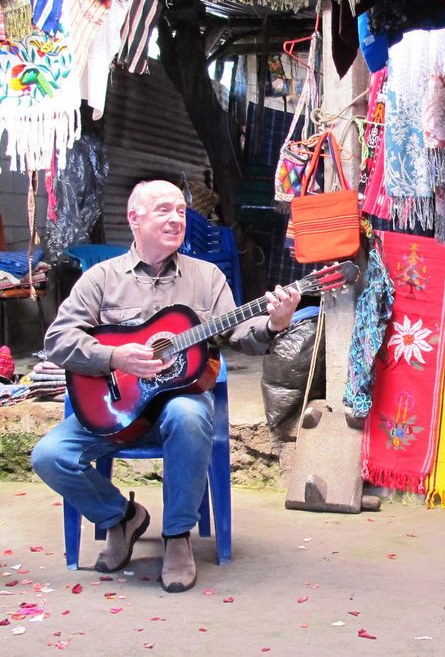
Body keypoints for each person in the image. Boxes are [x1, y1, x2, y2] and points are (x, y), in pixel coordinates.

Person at [32, 180, 301, 592]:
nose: (177, 218)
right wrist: (114, 357)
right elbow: (58, 340)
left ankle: (177, 536)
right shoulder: (101, 279)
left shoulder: (206, 277)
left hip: (177, 407)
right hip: (114, 411)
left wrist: (273, 323)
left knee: (188, 412)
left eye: (180, 210)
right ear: (134, 219)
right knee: (49, 455)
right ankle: (121, 517)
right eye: (163, 210)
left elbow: (241, 333)